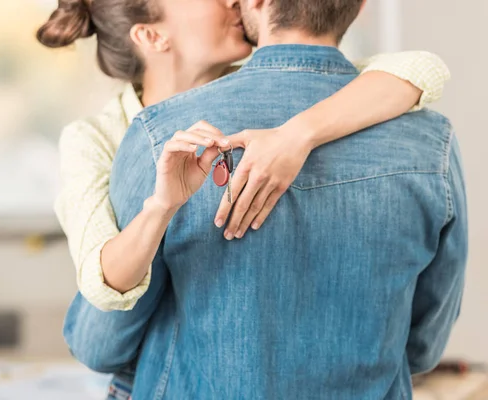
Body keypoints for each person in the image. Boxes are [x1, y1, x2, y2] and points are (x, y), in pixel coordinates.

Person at [38, 0, 451, 398]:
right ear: (151, 34)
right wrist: (161, 208)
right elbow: (101, 289)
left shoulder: (275, 93)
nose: (232, 2)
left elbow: (421, 68)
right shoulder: (98, 138)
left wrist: (297, 135)